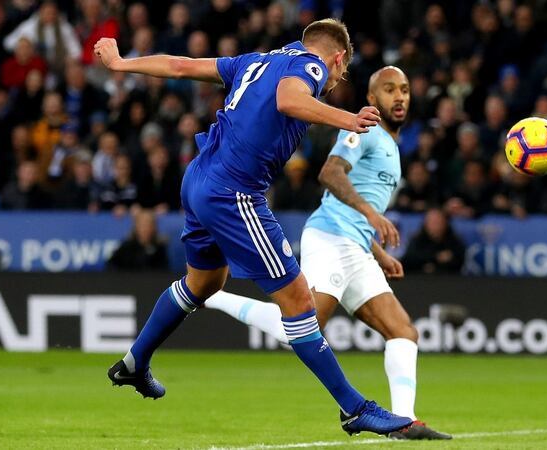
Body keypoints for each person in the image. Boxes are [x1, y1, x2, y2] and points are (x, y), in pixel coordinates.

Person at [95, 19, 412, 436]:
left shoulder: (255, 61)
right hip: (234, 193)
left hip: (198, 179)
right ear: (337, 58)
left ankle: (136, 363)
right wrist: (346, 118)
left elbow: (180, 66)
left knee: (205, 282)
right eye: (342, 72)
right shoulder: (312, 69)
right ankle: (355, 409)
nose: (334, 82)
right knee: (299, 301)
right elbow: (288, 99)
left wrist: (121, 64)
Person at [204, 67, 451, 440]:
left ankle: (405, 421)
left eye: (404, 89)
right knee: (302, 330)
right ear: (372, 99)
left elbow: (358, 200)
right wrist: (373, 216)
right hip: (331, 238)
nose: (399, 96)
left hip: (357, 246)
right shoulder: (363, 130)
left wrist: (377, 250)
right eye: (389, 90)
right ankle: (215, 296)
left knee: (403, 331)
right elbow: (330, 173)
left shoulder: (392, 146)